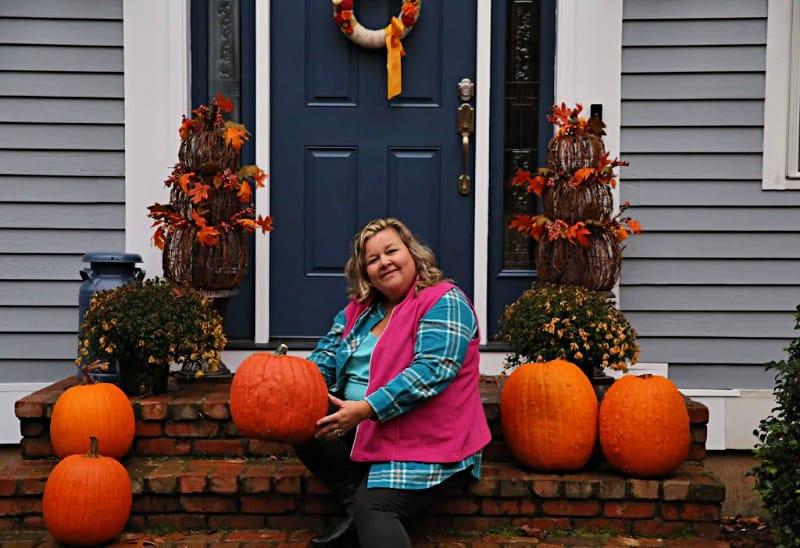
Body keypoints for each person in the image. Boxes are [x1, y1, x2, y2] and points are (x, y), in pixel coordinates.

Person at [294, 217, 491, 548]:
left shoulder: (444, 301)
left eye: (391, 251)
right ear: (365, 272)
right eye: (372, 259)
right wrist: (293, 386)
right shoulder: (357, 312)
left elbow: (432, 371)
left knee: (376, 508)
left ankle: (362, 507)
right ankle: (353, 503)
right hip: (365, 430)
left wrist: (367, 407)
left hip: (426, 438)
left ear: (412, 254)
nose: (383, 262)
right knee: (301, 416)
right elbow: (325, 359)